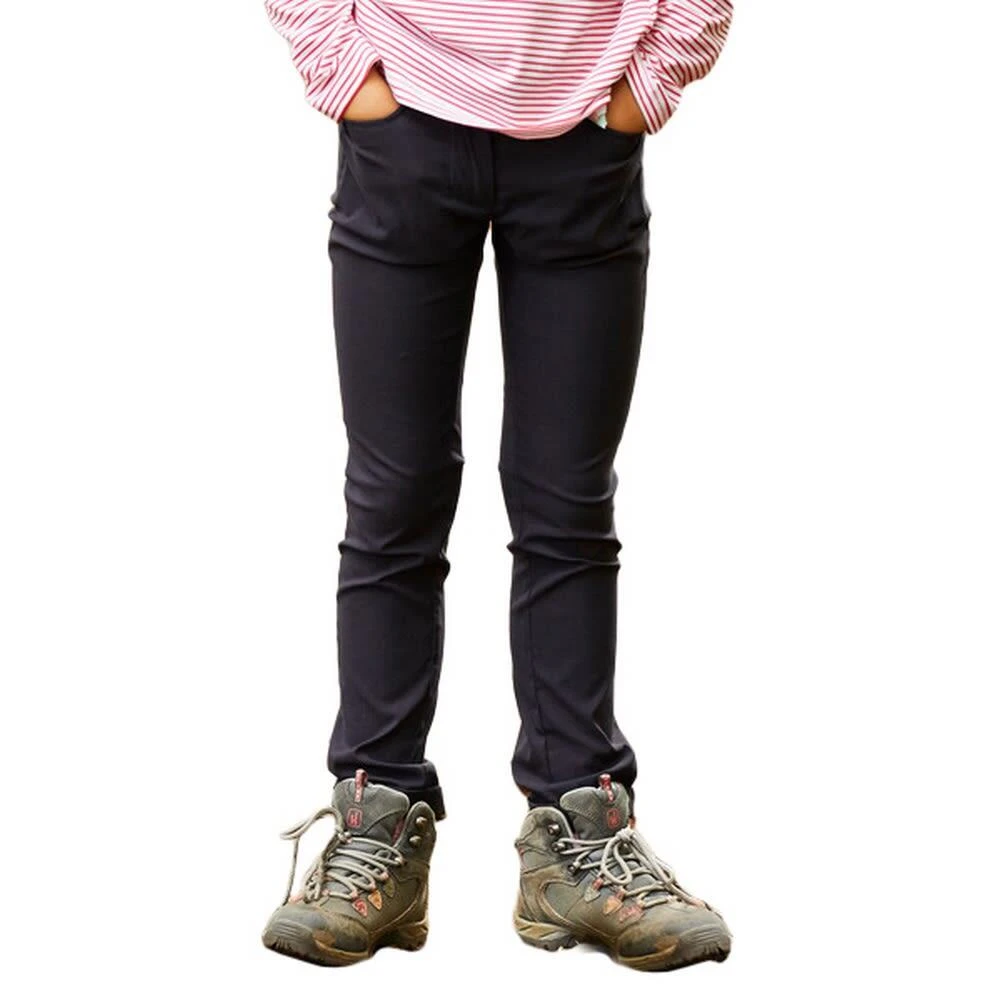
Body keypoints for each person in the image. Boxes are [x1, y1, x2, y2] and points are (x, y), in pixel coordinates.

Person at [260, 0, 734, 973]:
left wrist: (648, 83)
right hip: (404, 124)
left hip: (586, 138)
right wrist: (345, 70)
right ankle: (377, 820)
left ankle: (580, 827)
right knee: (394, 496)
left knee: (568, 503)